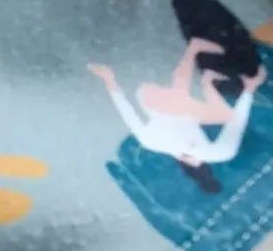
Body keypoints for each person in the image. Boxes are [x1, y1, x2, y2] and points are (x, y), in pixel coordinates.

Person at [88, 38, 267, 171]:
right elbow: (126, 110)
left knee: (181, 93)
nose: (161, 88)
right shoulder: (153, 134)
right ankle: (199, 59)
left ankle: (197, 54)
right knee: (182, 96)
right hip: (208, 149)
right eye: (157, 90)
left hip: (199, 148)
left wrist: (109, 80)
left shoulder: (150, 137)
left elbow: (126, 110)